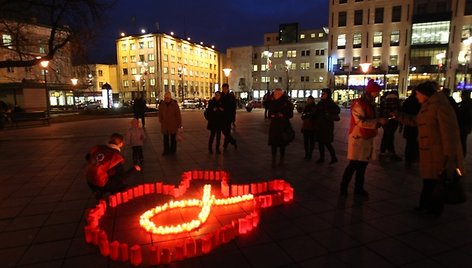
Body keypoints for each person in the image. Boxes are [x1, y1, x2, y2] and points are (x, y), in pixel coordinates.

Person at [393, 81, 463, 216]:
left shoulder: (440, 107)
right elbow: (416, 121)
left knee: (435, 183)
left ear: (425, 94)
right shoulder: (428, 106)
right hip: (430, 152)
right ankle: (425, 206)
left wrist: (449, 157)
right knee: (429, 181)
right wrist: (399, 116)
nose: (416, 97)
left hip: (438, 154)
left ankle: (433, 210)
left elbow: (449, 133)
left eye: (418, 94)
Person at [340, 80, 387, 197]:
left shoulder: (371, 104)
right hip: (358, 137)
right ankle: (344, 187)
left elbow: (371, 119)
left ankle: (358, 188)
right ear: (371, 92)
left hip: (367, 137)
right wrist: (377, 121)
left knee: (362, 165)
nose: (378, 94)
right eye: (377, 92)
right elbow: (360, 121)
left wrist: (379, 121)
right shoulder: (359, 103)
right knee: (354, 165)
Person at [85, 133, 141, 198]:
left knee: (112, 175)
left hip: (89, 180)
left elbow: (87, 157)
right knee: (121, 184)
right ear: (121, 144)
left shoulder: (98, 147)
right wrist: (134, 168)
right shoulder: (115, 157)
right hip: (100, 183)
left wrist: (99, 163)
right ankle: (114, 195)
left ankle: (99, 191)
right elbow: (122, 177)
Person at [268, 88, 294, 167]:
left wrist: (283, 115)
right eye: (274, 94)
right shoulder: (273, 102)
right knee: (274, 144)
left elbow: (290, 114)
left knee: (282, 143)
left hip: (283, 126)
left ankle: (281, 160)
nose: (274, 95)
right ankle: (274, 160)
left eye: (276, 94)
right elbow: (270, 113)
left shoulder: (286, 103)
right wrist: (272, 115)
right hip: (274, 126)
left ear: (280, 94)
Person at [314, 88, 340, 164]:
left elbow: (337, 110)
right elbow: (317, 112)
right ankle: (322, 158)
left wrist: (328, 112)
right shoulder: (320, 103)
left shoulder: (330, 103)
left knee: (327, 142)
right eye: (321, 93)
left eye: (323, 94)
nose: (321, 95)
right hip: (320, 126)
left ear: (327, 95)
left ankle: (334, 157)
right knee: (320, 143)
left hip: (327, 126)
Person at [379, 90, 402, 161]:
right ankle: (390, 152)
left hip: (384, 121)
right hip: (393, 121)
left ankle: (383, 151)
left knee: (386, 135)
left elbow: (381, 110)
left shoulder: (384, 101)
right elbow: (398, 111)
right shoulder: (396, 101)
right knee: (390, 136)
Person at [158, 91, 182, 155]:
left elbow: (178, 115)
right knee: (165, 139)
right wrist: (161, 120)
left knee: (173, 139)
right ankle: (166, 151)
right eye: (165, 98)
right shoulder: (162, 104)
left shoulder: (174, 104)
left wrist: (179, 125)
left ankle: (173, 151)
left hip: (173, 125)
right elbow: (160, 113)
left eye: (167, 98)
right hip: (165, 125)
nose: (166, 99)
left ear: (170, 98)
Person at [401, 89, 421, 166]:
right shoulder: (419, 103)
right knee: (414, 143)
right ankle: (413, 158)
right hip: (415, 125)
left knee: (409, 143)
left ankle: (408, 158)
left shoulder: (408, 101)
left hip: (408, 125)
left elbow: (403, 111)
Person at [220, 83, 237, 150]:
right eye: (223, 89)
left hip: (228, 117)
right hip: (222, 117)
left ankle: (225, 145)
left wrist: (233, 119)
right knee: (224, 131)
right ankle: (233, 141)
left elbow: (233, 108)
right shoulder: (221, 95)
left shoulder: (231, 97)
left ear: (227, 89)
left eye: (225, 89)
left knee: (227, 131)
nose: (224, 90)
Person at [300, 96, 317, 160]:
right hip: (306, 126)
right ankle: (307, 153)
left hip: (312, 126)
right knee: (306, 141)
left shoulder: (314, 107)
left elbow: (312, 115)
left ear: (312, 100)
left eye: (309, 100)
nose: (308, 101)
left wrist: (307, 114)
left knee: (311, 141)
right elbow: (303, 116)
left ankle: (309, 154)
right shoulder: (306, 107)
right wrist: (306, 115)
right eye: (308, 99)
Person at [457, 90, 472, 157]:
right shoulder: (468, 103)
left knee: (463, 140)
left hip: (463, 125)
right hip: (468, 124)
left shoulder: (463, 104)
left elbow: (460, 114)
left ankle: (463, 153)